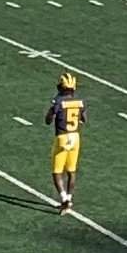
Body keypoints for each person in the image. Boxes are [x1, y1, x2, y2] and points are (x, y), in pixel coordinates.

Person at [45, 72, 85, 215]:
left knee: (57, 171)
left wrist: (52, 111)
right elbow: (84, 118)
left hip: (62, 137)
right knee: (71, 170)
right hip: (75, 137)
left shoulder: (58, 101)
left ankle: (64, 199)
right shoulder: (80, 101)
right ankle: (69, 197)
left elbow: (48, 120)